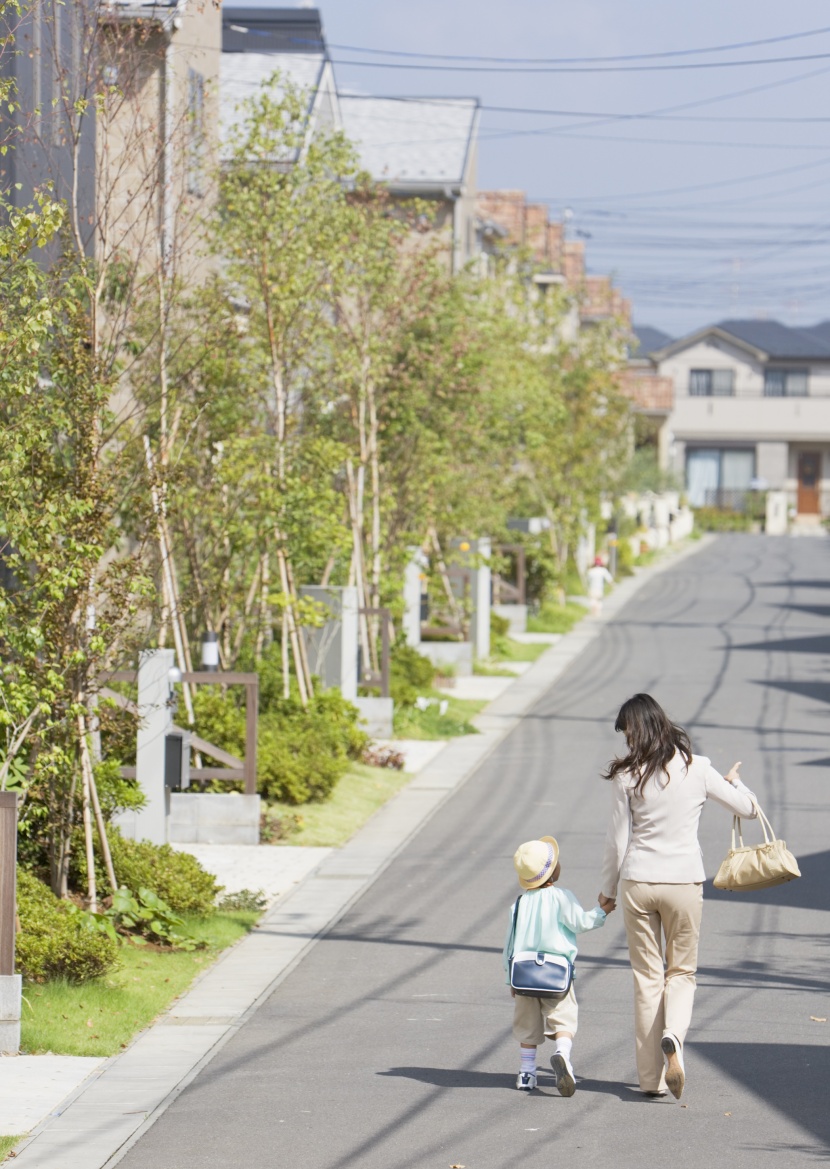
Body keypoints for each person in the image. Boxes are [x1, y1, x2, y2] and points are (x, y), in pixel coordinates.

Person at [599, 693, 757, 1100]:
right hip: (683, 882)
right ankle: (674, 1036)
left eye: (628, 733)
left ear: (637, 731)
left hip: (638, 882)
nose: (628, 742)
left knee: (647, 979)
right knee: (681, 973)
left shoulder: (626, 776)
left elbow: (617, 842)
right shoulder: (697, 767)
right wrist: (736, 782)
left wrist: (607, 891)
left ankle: (650, 1080)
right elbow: (748, 809)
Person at [504, 835, 613, 1095]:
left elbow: (509, 945)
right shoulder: (561, 897)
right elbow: (580, 923)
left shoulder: (518, 904)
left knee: (527, 1026)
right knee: (563, 1020)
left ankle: (527, 1074)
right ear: (553, 872)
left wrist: (509, 978)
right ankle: (562, 1054)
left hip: (524, 976)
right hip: (556, 976)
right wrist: (602, 911)